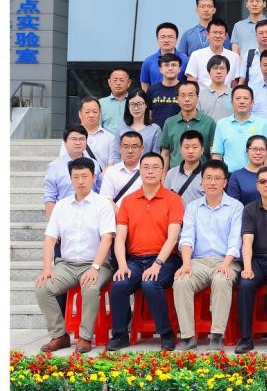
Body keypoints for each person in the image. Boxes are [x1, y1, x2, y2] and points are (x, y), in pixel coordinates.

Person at [34, 157, 116, 353]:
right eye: (76, 177)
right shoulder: (61, 206)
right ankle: (60, 335)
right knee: (42, 288)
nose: (80, 181)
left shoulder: (102, 205)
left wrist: (95, 268)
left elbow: (107, 239)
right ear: (70, 179)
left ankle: (85, 337)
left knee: (89, 287)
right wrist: (47, 268)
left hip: (97, 264)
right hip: (67, 265)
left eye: (85, 176)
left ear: (94, 177)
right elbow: (49, 239)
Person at [105, 152, 184, 351]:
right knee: (119, 284)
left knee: (150, 283)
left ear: (162, 171)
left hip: (166, 260)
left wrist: (157, 264)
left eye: (155, 167)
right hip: (134, 260)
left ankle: (166, 333)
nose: (150, 171)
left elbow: (173, 238)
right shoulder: (128, 201)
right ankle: (120, 335)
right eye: (146, 167)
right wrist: (122, 265)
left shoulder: (173, 200)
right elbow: (120, 238)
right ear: (140, 171)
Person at [172, 159, 243, 351]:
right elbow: (187, 238)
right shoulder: (193, 207)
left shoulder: (236, 207)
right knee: (181, 281)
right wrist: (186, 263)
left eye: (217, 178)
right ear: (201, 181)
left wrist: (225, 264)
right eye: (208, 178)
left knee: (221, 280)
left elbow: (235, 241)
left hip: (227, 261)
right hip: (199, 262)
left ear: (225, 182)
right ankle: (188, 337)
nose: (212, 182)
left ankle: (217, 336)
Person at [159, 81, 216, 170]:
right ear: (177, 99)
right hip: (176, 174)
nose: (187, 99)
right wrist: (163, 176)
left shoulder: (209, 122)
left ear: (197, 98)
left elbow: (214, 153)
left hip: (202, 175)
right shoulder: (169, 123)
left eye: (191, 95)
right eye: (183, 95)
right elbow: (165, 154)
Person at [109, 89, 161, 165]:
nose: (136, 108)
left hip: (146, 170)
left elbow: (156, 156)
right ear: (128, 106)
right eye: (132, 104)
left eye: (139, 104)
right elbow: (115, 155)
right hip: (123, 170)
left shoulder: (155, 129)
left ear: (146, 105)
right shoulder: (121, 129)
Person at [186, 18, 241, 89]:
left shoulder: (234, 57)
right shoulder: (196, 55)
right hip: (202, 95)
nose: (217, 36)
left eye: (221, 33)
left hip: (227, 95)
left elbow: (234, 84)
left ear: (226, 36)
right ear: (207, 34)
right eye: (214, 32)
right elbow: (191, 81)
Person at [227, 134, 267, 206]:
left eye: (262, 149)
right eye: (254, 149)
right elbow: (233, 205)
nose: (258, 152)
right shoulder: (236, 176)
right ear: (247, 151)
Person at [140, 23, 189, 92]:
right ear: (157, 39)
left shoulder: (186, 60)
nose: (166, 40)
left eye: (170, 37)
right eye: (163, 37)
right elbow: (145, 85)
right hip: (156, 98)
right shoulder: (148, 61)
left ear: (176, 39)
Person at [99, 131, 144, 203]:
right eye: (126, 147)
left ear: (142, 149)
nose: (130, 151)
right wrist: (121, 211)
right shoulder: (111, 172)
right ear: (120, 148)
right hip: (117, 210)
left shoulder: (148, 171)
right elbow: (106, 199)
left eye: (134, 147)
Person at [164, 131, 207, 203]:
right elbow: (165, 199)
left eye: (195, 147)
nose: (190, 151)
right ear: (180, 150)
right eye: (186, 147)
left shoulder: (208, 175)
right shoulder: (171, 173)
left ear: (202, 150)